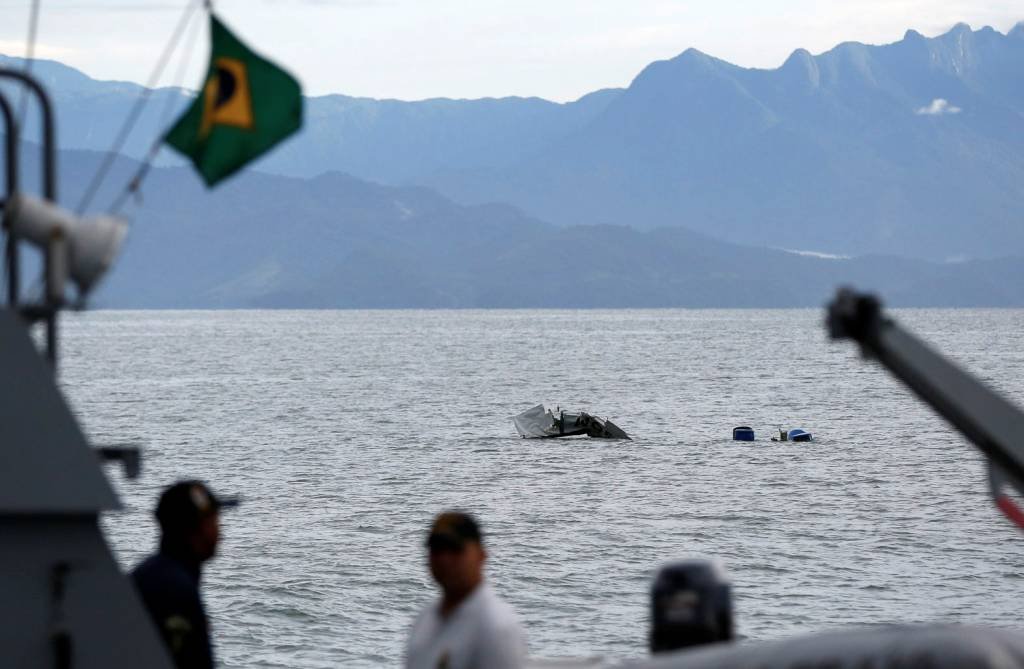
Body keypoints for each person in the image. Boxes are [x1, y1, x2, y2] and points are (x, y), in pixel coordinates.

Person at [131, 480, 237, 669]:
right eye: (214, 520)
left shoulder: (151, 573)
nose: (220, 532)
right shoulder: (174, 590)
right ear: (198, 528)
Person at [406, 511, 526, 669]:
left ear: (481, 555)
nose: (444, 559)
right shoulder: (425, 620)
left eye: (455, 550)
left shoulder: (494, 627)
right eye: (436, 550)